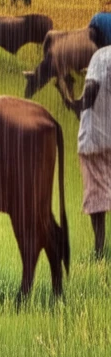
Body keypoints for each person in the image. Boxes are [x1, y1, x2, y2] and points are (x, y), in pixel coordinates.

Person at [77, 13, 111, 257]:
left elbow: (90, 91)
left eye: (93, 33)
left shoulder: (100, 57)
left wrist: (75, 103)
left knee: (97, 195)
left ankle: (99, 250)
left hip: (95, 139)